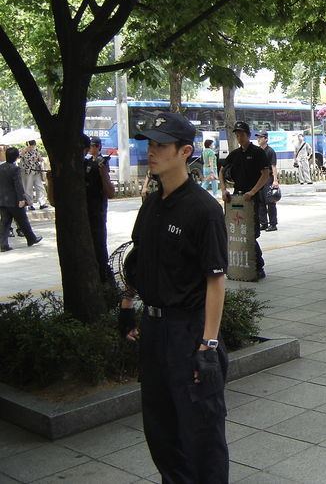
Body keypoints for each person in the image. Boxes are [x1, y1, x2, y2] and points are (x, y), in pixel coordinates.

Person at [118, 111, 229, 483]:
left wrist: (208, 345)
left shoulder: (203, 210)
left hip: (189, 333)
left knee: (201, 435)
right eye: (149, 144)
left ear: (184, 152)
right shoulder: (151, 204)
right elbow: (139, 260)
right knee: (161, 433)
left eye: (161, 145)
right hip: (154, 332)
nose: (151, 152)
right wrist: (128, 304)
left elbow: (216, 281)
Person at [220, 121, 270, 279]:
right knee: (237, 233)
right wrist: (223, 189)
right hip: (237, 197)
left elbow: (265, 174)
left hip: (253, 198)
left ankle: (258, 265)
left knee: (251, 232)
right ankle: (241, 265)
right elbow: (221, 170)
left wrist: (253, 191)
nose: (239, 137)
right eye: (237, 134)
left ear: (248, 135)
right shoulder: (235, 154)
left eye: (241, 134)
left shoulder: (257, 153)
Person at [84, 136, 115, 282]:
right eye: (91, 146)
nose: (92, 148)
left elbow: (110, 192)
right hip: (86, 211)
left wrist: (103, 172)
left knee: (99, 247)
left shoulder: (102, 163)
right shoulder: (86, 162)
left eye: (94, 145)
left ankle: (105, 280)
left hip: (97, 211)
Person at [0, 147, 42, 252]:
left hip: (3, 200)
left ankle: (3, 244)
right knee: (23, 220)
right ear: (16, 157)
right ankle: (31, 238)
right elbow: (18, 185)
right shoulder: (15, 169)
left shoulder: (1, 167)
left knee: (5, 223)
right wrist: (21, 199)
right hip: (14, 200)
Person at [256, 131, 279, 231]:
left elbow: (273, 166)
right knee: (260, 201)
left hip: (268, 178)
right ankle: (263, 223)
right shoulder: (258, 151)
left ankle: (273, 224)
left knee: (270, 201)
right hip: (259, 179)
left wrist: (275, 180)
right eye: (258, 138)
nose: (258, 139)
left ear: (266, 139)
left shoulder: (270, 151)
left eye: (261, 138)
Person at [19, 139, 48, 210]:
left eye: (33, 145)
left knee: (39, 187)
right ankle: (30, 204)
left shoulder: (36, 151)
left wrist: (39, 158)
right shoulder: (24, 151)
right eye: (31, 145)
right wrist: (25, 150)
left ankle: (42, 203)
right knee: (28, 188)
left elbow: (41, 159)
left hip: (36, 171)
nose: (32, 147)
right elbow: (20, 157)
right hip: (27, 172)